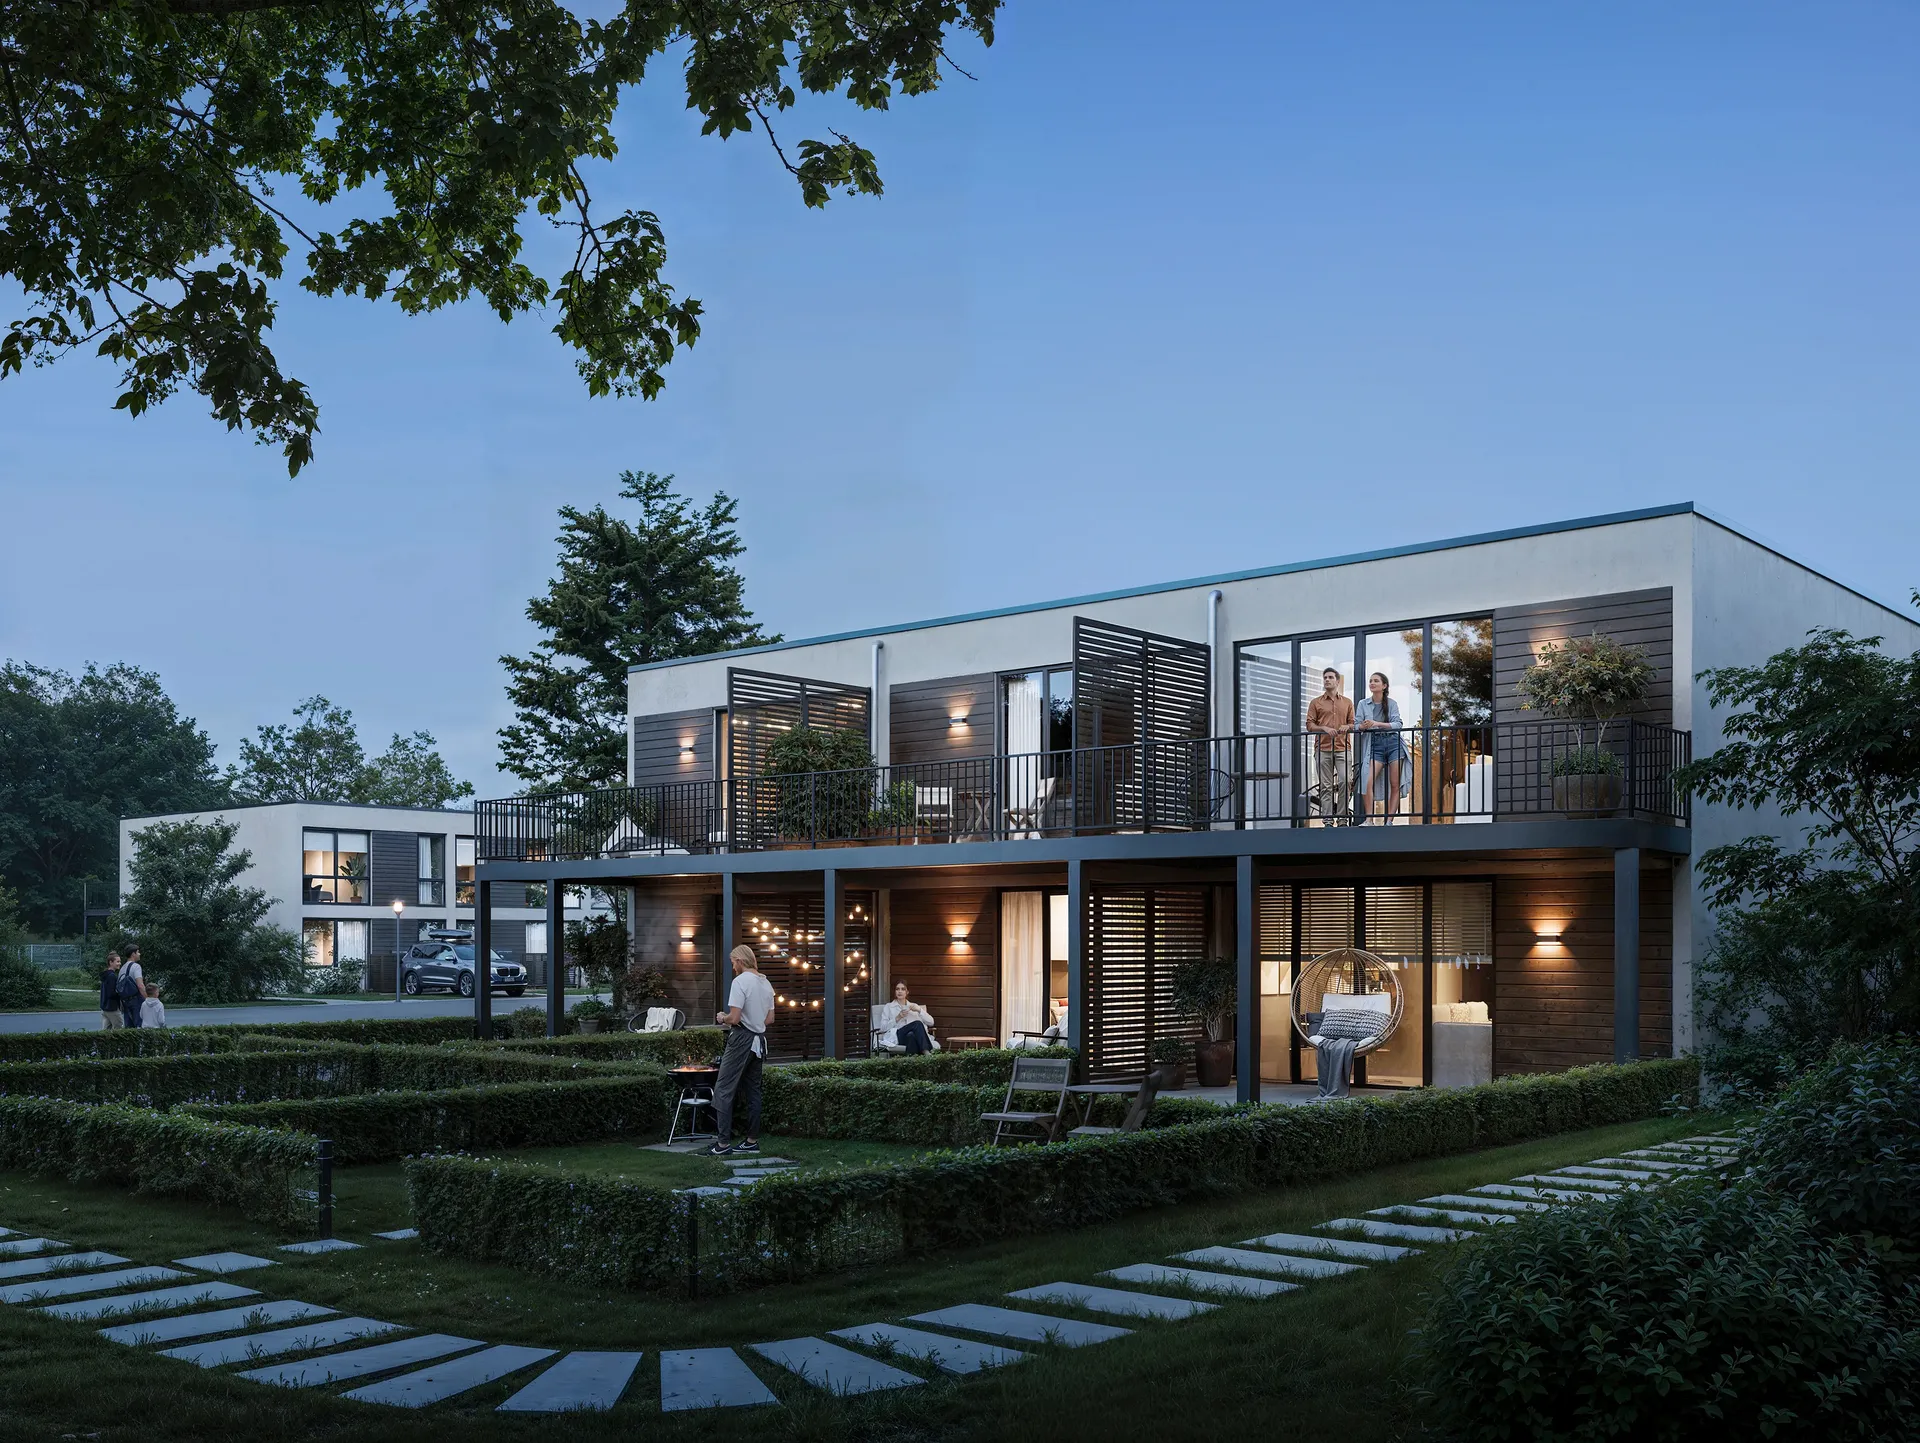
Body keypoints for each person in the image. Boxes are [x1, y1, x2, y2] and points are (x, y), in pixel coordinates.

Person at [705, 944, 774, 1156]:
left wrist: (722, 1018)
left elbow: (734, 1018)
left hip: (741, 1040)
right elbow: (770, 1019)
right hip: (759, 1042)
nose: (733, 966)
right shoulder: (765, 982)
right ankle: (752, 1141)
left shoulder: (740, 982)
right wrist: (755, 1023)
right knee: (753, 1092)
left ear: (741, 961)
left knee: (724, 1089)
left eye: (733, 962)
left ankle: (723, 1144)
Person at [1355, 671, 1410, 823]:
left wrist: (1376, 724)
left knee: (1394, 784)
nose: (1372, 683)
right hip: (1375, 744)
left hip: (1393, 743)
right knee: (1367, 780)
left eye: (1376, 681)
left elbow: (1398, 724)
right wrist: (1363, 726)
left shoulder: (1392, 703)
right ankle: (1369, 819)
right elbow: (1356, 725)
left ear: (1384, 686)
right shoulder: (1362, 704)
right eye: (1371, 681)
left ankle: (1389, 821)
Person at [1304, 667, 1355, 824]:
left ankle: (1342, 819)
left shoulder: (1347, 702)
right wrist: (1324, 728)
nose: (1327, 679)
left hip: (1343, 748)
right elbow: (1309, 725)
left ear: (1337, 681)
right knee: (1325, 786)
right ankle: (1327, 820)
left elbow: (1353, 723)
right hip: (1323, 749)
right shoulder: (1316, 702)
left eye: (1330, 677)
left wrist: (1347, 726)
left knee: (1345, 782)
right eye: (1325, 677)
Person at [874, 980, 936, 1054]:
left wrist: (919, 1010)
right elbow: (882, 1028)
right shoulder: (889, 1007)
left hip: (911, 1037)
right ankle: (926, 1052)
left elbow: (931, 1022)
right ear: (895, 991)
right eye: (897, 989)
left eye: (903, 989)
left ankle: (910, 1063)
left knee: (911, 1035)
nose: (900, 991)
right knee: (917, 1024)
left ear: (907, 992)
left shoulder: (914, 1006)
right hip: (898, 1036)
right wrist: (897, 1018)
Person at [117, 945, 145, 1028]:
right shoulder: (136, 966)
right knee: (139, 1025)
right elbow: (140, 985)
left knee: (129, 1027)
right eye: (138, 952)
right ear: (133, 954)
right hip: (136, 1000)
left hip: (125, 1000)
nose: (139, 954)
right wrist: (147, 998)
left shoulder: (122, 968)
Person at [99, 951, 124, 1030]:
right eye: (117, 961)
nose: (119, 963)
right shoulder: (112, 976)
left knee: (106, 1031)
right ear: (111, 962)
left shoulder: (105, 975)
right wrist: (121, 993)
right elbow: (112, 993)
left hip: (104, 1007)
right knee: (119, 1028)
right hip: (112, 1008)